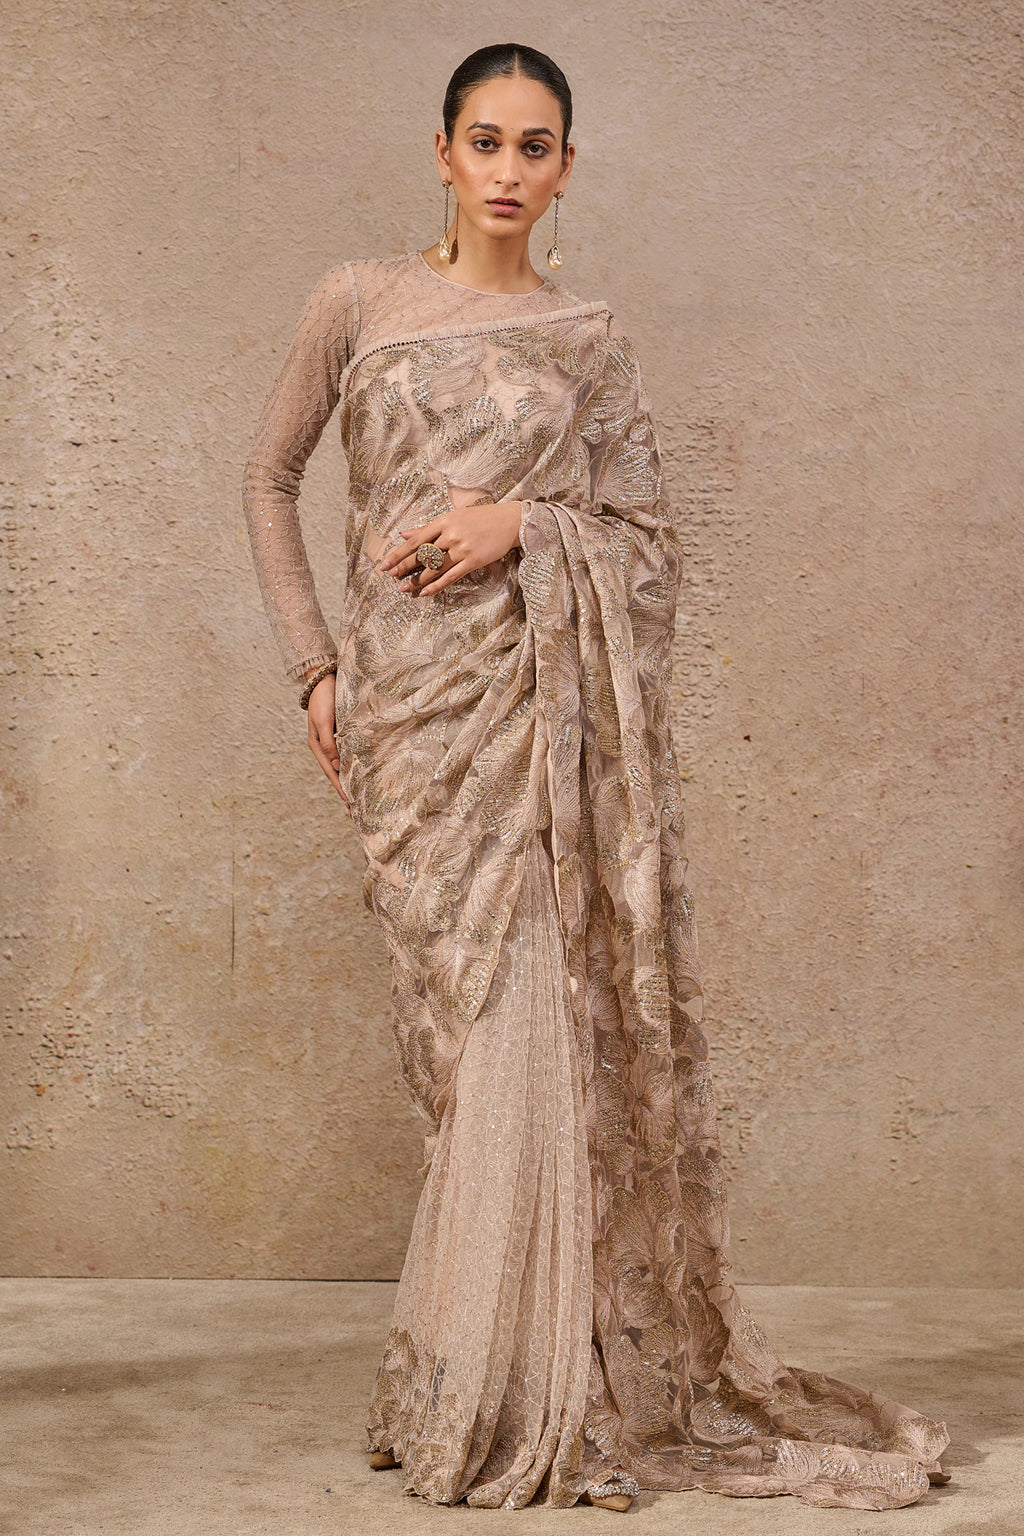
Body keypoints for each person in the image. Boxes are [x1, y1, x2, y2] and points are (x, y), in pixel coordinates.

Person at [242, 41, 950, 1515]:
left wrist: (523, 525)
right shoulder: (355, 302)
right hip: (412, 722)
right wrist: (316, 665)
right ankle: (468, 1373)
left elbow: (647, 538)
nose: (508, 169)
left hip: (539, 716)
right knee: (457, 1046)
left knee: (534, 1033)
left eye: (536, 146)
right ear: (442, 151)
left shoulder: (589, 338)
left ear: (568, 169)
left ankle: (534, 1397)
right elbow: (269, 477)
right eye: (485, 140)